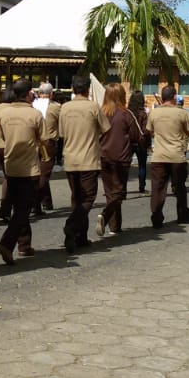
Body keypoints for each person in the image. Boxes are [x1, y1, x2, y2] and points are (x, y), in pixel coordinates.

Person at [0, 79, 44, 263]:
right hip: (29, 168)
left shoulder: (3, 113)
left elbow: (2, 137)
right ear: (29, 93)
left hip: (11, 166)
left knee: (19, 206)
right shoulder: (35, 114)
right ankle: (7, 243)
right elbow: (43, 138)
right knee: (24, 209)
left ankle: (24, 245)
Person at [58, 75, 109, 253]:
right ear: (88, 90)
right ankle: (71, 227)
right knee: (88, 198)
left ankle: (80, 237)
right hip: (89, 160)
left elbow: (62, 133)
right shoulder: (93, 107)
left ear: (73, 89)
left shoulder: (64, 108)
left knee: (77, 198)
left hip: (70, 159)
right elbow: (106, 129)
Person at [147, 85, 189, 228]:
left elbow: (150, 131)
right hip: (177, 156)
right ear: (174, 97)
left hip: (159, 156)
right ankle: (182, 215)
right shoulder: (182, 113)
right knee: (179, 187)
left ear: (162, 97)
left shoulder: (154, 113)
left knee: (157, 188)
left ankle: (156, 216)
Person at [97, 83, 141, 237]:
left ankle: (115, 226)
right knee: (119, 192)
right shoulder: (126, 114)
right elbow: (136, 135)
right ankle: (106, 215)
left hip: (103, 157)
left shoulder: (100, 113)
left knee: (110, 192)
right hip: (121, 158)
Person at [32, 82, 60, 214]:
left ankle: (46, 201)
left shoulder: (32, 105)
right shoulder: (56, 107)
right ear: (51, 94)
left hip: (33, 142)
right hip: (48, 143)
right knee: (44, 174)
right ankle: (34, 201)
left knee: (39, 172)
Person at [0, 87, 19, 222]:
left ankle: (6, 208)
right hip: (12, 143)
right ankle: (7, 208)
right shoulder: (15, 109)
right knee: (13, 178)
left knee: (7, 177)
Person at [128, 92, 150, 194]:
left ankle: (123, 189)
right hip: (141, 144)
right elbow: (146, 131)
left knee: (126, 166)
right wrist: (148, 144)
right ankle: (142, 187)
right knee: (142, 166)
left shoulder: (127, 113)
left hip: (128, 143)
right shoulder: (143, 114)